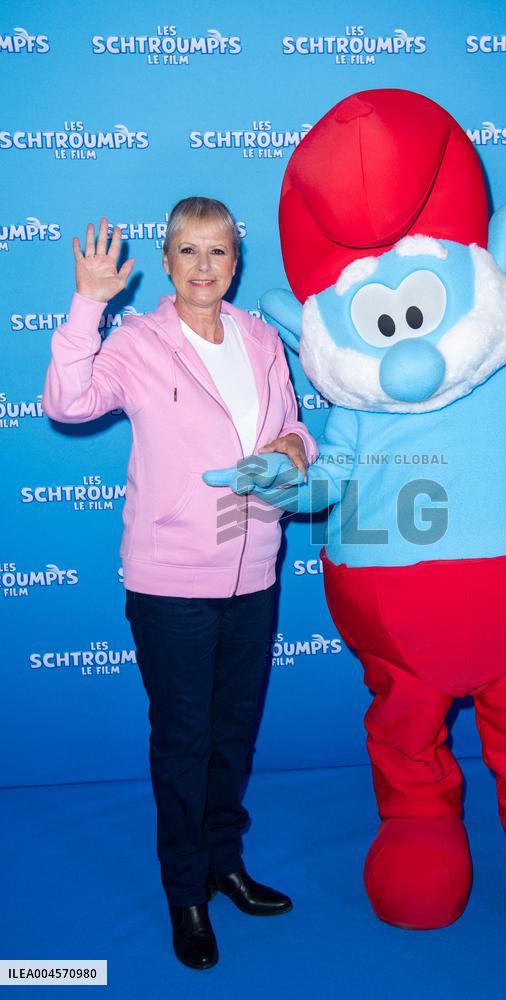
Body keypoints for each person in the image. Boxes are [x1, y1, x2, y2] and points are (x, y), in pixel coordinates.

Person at [42, 197, 317, 970]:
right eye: (188, 252)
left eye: (218, 253)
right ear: (166, 263)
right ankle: (186, 892)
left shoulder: (262, 339)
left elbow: (296, 425)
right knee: (185, 739)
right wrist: (87, 304)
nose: (204, 267)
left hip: (253, 566)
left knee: (233, 733)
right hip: (170, 583)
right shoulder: (137, 341)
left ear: (237, 262)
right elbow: (66, 402)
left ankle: (225, 863)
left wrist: (294, 452)